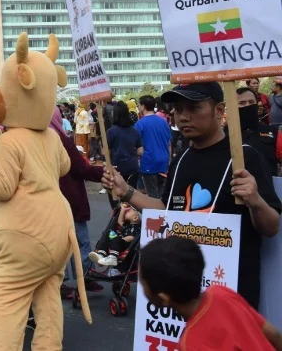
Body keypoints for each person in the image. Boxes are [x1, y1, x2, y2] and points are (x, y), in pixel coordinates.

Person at [103, 82, 281, 308]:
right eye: (178, 109)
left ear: (219, 110)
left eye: (194, 108)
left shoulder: (245, 158)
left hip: (232, 297)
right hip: (185, 298)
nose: (184, 117)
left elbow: (271, 227)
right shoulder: (180, 161)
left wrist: (255, 201)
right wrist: (126, 191)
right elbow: (166, 210)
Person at [139, 236, 282, 350]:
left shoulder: (190, 344)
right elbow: (273, 334)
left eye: (143, 283)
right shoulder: (220, 292)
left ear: (163, 298)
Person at [49, 107, 104, 297]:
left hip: (49, 201)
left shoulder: (37, 141)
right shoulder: (61, 141)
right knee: (80, 242)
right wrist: (104, 172)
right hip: (70, 198)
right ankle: (85, 277)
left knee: (56, 244)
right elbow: (81, 168)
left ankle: (58, 283)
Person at [237, 87, 280, 176]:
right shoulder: (225, 134)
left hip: (268, 183)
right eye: (242, 103)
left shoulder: (272, 131)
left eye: (251, 102)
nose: (247, 105)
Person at [135, 95, 172, 199]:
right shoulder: (163, 122)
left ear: (143, 106)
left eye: (139, 105)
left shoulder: (140, 124)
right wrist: (168, 159)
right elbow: (169, 143)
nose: (138, 107)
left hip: (149, 162)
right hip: (163, 161)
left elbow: (137, 146)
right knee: (161, 194)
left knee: (153, 196)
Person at [106, 101, 143, 191]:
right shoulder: (135, 131)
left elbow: (105, 152)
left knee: (116, 194)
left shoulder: (111, 131)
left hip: (116, 169)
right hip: (133, 168)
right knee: (131, 195)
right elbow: (140, 152)